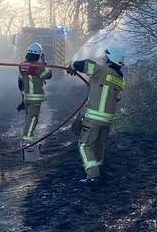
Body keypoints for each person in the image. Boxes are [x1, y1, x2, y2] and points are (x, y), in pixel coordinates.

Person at [66, 46, 126, 183]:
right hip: (107, 120)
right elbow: (117, 98)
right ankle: (98, 168)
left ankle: (92, 175)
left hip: (94, 118)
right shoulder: (121, 80)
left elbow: (84, 65)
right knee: (99, 145)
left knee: (84, 145)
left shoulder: (101, 70)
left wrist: (72, 65)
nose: (104, 59)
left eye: (106, 57)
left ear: (110, 60)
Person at [17, 42, 53, 142]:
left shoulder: (22, 65)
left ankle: (26, 137)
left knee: (28, 118)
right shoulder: (38, 66)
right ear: (38, 55)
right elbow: (48, 75)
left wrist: (22, 99)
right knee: (32, 118)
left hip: (26, 97)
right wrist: (44, 63)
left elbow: (20, 81)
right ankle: (27, 141)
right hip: (35, 98)